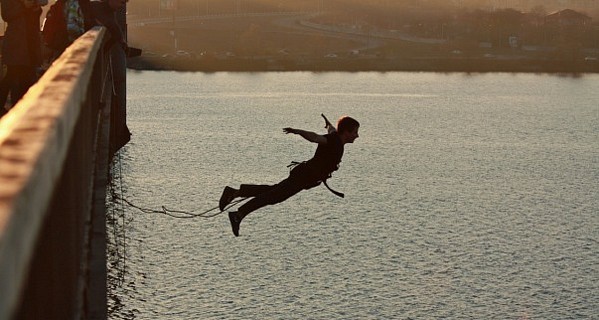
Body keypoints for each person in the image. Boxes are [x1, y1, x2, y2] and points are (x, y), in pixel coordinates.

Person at [219, 115, 360, 237]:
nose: (357, 135)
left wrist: (328, 124)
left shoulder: (336, 138)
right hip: (304, 176)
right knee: (274, 196)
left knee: (273, 191)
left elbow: (332, 130)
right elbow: (314, 137)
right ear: (346, 132)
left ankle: (234, 193)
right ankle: (238, 214)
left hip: (305, 176)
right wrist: (298, 131)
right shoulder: (334, 141)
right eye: (355, 132)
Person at [0, 0, 44, 116]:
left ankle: (25, 109)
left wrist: (36, 8)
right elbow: (6, 15)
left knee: (25, 75)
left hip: (30, 43)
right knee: (13, 76)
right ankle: (17, 110)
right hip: (17, 43)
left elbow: (35, 16)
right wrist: (24, 6)